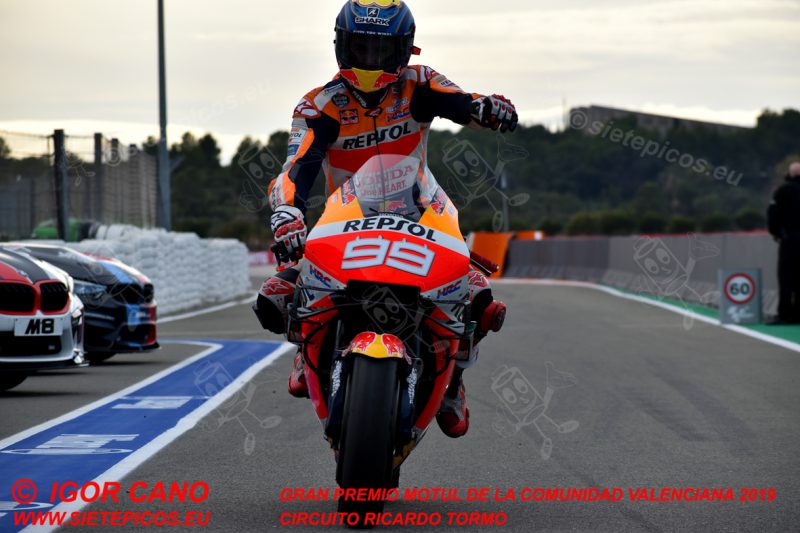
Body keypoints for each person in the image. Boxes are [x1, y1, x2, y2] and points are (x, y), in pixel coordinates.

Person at [254, 0, 516, 438]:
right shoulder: (318, 104)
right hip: (346, 220)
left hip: (422, 214)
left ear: (405, 50)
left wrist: (491, 110)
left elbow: (464, 104)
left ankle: (453, 382)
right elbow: (294, 168)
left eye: (381, 51)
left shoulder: (421, 81)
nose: (370, 63)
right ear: (341, 47)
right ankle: (306, 349)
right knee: (274, 297)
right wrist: (287, 214)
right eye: (360, 49)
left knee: (481, 299)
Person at [767, 162, 800, 324]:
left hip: (789, 240)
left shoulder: (782, 191)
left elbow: (773, 214)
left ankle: (785, 314)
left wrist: (777, 234)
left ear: (789, 174)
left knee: (786, 278)